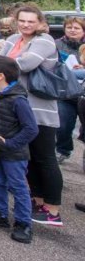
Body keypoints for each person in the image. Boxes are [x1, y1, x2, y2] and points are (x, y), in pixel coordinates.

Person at [0, 4, 65, 226]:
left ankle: (53, 209)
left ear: (39, 23)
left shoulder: (44, 40)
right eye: (22, 20)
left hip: (40, 111)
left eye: (31, 21)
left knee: (45, 158)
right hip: (17, 108)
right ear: (16, 21)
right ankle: (38, 202)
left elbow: (26, 64)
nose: (26, 25)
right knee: (30, 160)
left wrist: (2, 66)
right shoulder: (13, 40)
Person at [0, 55, 39, 244]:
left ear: (0, 75)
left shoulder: (18, 100)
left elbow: (31, 129)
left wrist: (10, 144)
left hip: (13, 153)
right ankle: (0, 213)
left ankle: (23, 223)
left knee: (18, 186)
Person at [53, 15, 85, 163]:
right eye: (69, 27)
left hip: (83, 93)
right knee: (63, 124)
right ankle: (63, 150)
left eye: (76, 28)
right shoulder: (56, 44)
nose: (72, 30)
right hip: (65, 93)